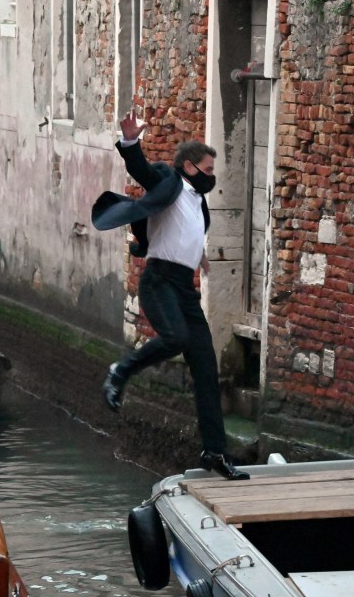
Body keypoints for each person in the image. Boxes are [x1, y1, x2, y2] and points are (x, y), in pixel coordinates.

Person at [91, 110, 248, 481]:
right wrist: (130, 142)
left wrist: (200, 255)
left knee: (206, 369)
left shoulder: (198, 202)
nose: (213, 175)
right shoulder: (168, 179)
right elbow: (143, 171)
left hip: (184, 288)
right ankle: (121, 369)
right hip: (158, 281)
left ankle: (215, 452)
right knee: (175, 337)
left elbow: (185, 230)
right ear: (190, 167)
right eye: (209, 168)